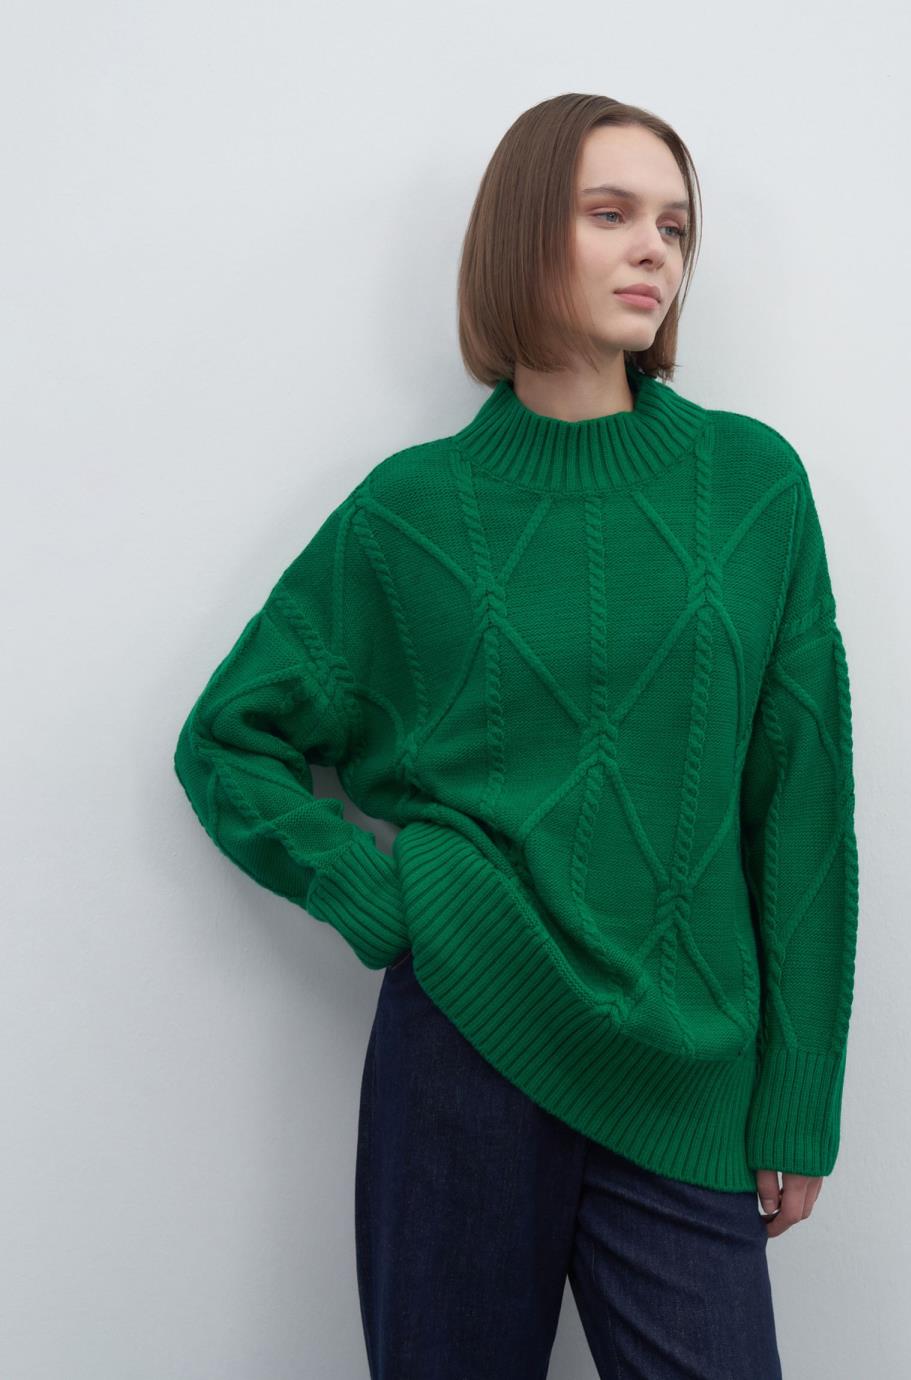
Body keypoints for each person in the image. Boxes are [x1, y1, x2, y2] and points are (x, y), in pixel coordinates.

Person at [174, 92, 860, 1379]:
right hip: (465, 1050)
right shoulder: (414, 512)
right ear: (523, 237)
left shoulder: (754, 485)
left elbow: (805, 803)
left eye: (674, 225)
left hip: (686, 1076)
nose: (654, 249)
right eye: (611, 214)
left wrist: (799, 1091)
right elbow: (226, 737)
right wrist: (381, 894)